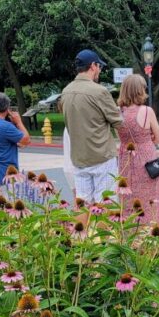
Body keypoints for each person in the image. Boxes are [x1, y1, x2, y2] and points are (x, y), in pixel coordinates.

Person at [60, 49, 122, 204]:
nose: (99, 71)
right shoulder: (99, 91)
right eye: (99, 67)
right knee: (106, 202)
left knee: (83, 202)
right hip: (101, 156)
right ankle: (102, 230)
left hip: (79, 158)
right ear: (93, 66)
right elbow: (118, 121)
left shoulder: (66, 92)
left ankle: (84, 229)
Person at [117, 74, 159, 224]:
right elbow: (158, 137)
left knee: (128, 195)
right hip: (147, 158)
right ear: (140, 90)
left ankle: (131, 231)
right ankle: (153, 227)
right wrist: (146, 138)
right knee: (152, 195)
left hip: (126, 158)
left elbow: (120, 137)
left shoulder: (118, 112)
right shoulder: (146, 111)